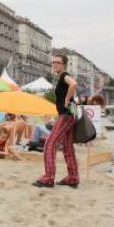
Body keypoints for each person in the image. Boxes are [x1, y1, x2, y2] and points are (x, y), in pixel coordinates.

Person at [34, 54, 80, 189]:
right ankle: (73, 177)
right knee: (67, 147)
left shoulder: (64, 75)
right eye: (53, 62)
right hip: (70, 114)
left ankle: (48, 178)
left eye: (58, 62)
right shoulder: (60, 77)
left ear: (64, 65)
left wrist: (66, 100)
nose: (54, 64)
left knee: (49, 144)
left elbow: (74, 84)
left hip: (66, 114)